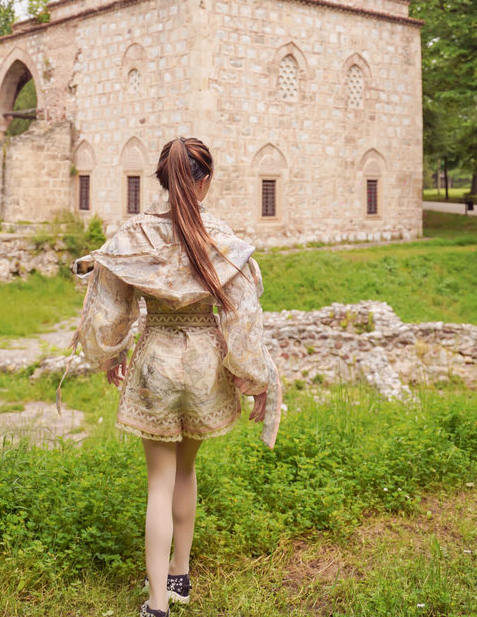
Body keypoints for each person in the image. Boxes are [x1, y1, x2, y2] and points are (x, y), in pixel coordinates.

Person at [70, 137, 281, 617]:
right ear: (204, 180)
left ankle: (158, 603)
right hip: (206, 366)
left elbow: (108, 308)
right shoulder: (221, 238)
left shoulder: (135, 236)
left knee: (159, 482)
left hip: (156, 365)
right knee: (187, 471)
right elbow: (242, 321)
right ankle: (179, 575)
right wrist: (255, 377)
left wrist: (109, 354)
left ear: (161, 180)